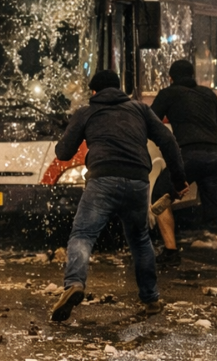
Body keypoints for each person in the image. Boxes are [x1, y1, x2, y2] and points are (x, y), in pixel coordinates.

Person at [49, 70, 186, 322]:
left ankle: (74, 284)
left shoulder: (86, 112)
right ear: (119, 88)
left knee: (83, 235)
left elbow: (63, 153)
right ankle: (151, 299)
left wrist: (69, 132)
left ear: (93, 92)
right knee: (140, 240)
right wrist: (178, 181)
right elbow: (168, 141)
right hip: (137, 180)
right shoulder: (140, 109)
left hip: (102, 179)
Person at [148, 60, 217, 272]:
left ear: (171, 77)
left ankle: (170, 252)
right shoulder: (208, 94)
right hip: (215, 155)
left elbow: (150, 121)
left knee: (159, 196)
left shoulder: (168, 93)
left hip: (188, 155)